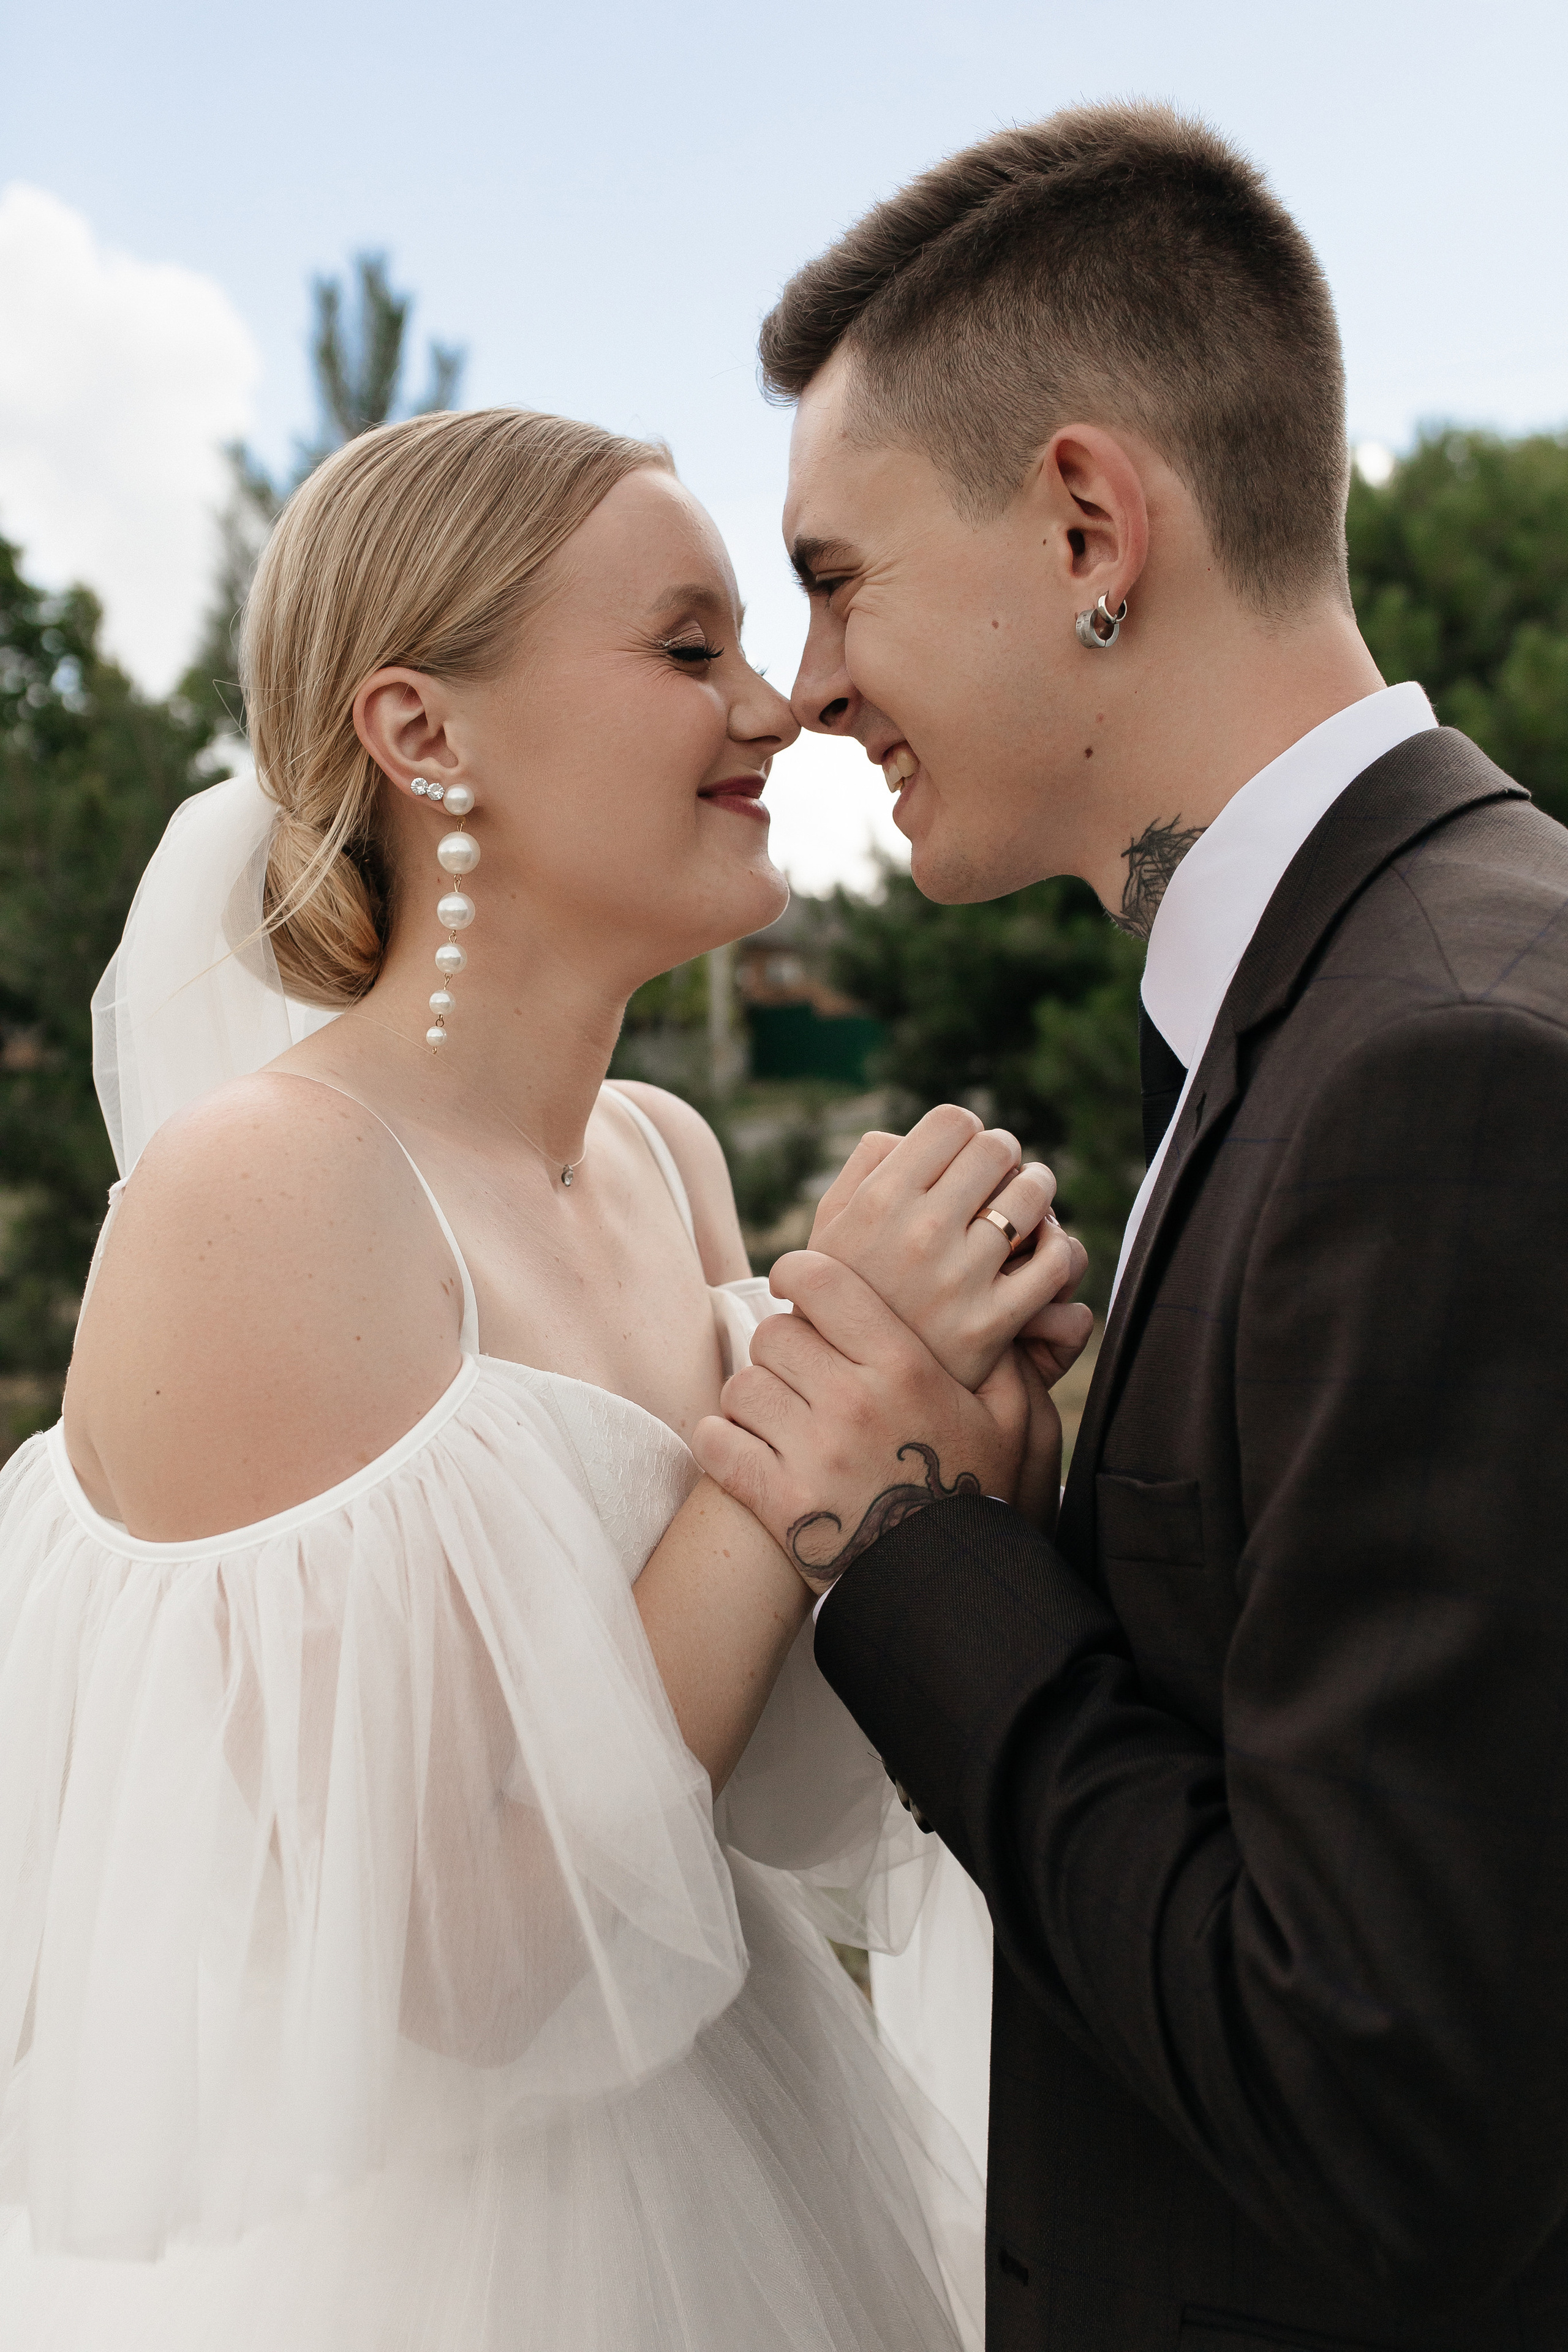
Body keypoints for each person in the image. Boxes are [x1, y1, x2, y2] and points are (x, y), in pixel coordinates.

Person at [0, 407, 1090, 2350]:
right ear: (422, 735)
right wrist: (817, 1384)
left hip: (747, 2159)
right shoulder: (269, 1192)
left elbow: (776, 1795)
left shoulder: (665, 1161)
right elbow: (449, 1961)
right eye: (688, 650)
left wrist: (962, 1425)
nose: (774, 710)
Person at [695, 103, 1568, 2350]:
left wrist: (912, 1558)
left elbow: (1390, 2113)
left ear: (1089, 519)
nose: (801, 693)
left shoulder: (1439, 1066)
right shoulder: (1386, 984)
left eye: (834, 573)